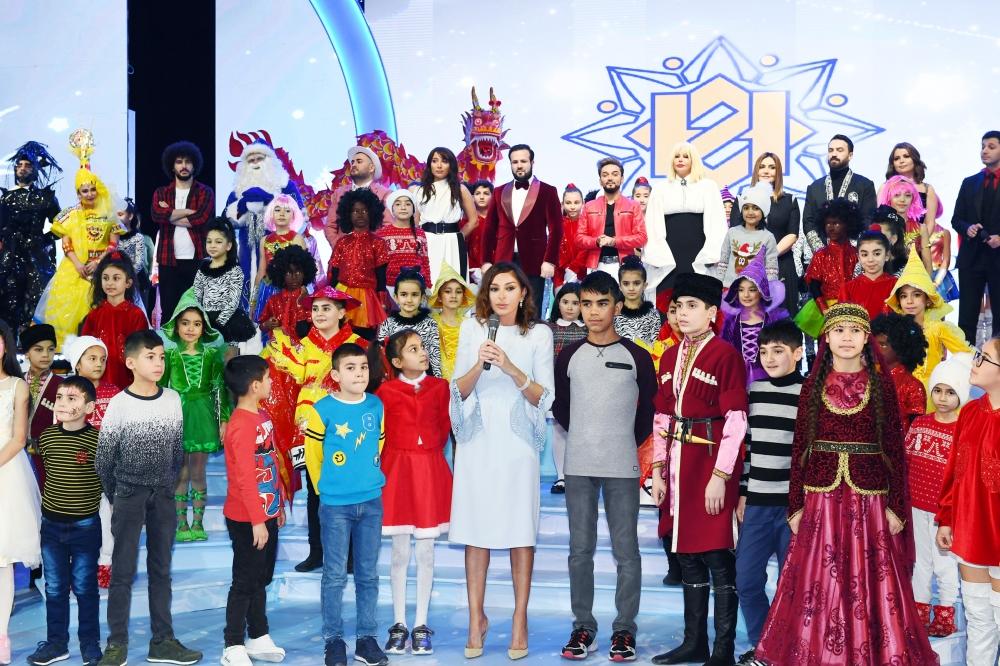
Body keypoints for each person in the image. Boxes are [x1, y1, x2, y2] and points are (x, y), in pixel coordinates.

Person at [754, 303, 938, 665]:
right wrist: (795, 504)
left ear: (867, 337)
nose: (847, 338)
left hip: (870, 502)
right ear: (827, 337)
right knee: (820, 577)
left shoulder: (881, 386)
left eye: (855, 331)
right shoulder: (812, 386)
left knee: (870, 577)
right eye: (839, 330)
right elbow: (799, 448)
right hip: (820, 499)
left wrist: (896, 507)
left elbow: (894, 450)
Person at [450, 262, 554, 660]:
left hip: (517, 441)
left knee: (518, 530)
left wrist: (510, 367)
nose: (502, 296)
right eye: (495, 289)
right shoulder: (472, 328)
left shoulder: (538, 333)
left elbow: (545, 397)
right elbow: (458, 392)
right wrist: (481, 364)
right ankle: (475, 619)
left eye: (510, 288)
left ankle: (519, 619)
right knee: (475, 530)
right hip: (477, 439)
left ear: (524, 292)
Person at [552, 270, 656, 663]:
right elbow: (562, 408)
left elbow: (648, 411)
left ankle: (624, 630)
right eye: (586, 303)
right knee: (580, 550)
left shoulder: (637, 356)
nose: (593, 311)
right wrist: (585, 436)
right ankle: (583, 627)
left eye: (601, 303)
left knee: (627, 551)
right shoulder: (569, 356)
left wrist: (623, 441)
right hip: (578, 465)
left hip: (622, 465)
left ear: (617, 306)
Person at [648, 273, 747, 666]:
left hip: (711, 462)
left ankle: (723, 650)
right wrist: (658, 470)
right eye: (678, 307)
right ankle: (695, 643)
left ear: (711, 313)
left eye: (692, 306)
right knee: (687, 556)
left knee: (717, 555)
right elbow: (661, 417)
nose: (682, 313)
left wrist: (720, 477)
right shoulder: (669, 356)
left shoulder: (726, 355)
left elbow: (737, 420)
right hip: (678, 464)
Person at [95, 330, 201, 666]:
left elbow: (177, 452)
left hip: (164, 496)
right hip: (128, 495)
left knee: (161, 569)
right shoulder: (119, 404)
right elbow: (104, 459)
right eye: (150, 357)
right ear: (130, 363)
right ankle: (116, 644)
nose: (158, 363)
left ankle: (163, 641)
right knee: (123, 571)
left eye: (161, 357)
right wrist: (119, 495)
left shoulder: (172, 399)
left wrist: (166, 486)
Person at [302, 343, 388, 666]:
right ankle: (333, 640)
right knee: (335, 575)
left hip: (371, 502)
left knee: (368, 575)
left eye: (363, 367)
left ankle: (366, 638)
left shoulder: (375, 405)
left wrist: (367, 478)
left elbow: (379, 443)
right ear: (336, 375)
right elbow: (314, 457)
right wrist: (327, 491)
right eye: (350, 368)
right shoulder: (322, 409)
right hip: (336, 505)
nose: (359, 374)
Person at [268, 286, 364, 573]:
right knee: (315, 490)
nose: (319, 314)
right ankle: (317, 552)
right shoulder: (301, 347)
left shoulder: (358, 345)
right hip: (309, 425)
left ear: (342, 312)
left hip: (346, 426)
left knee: (347, 489)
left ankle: (349, 555)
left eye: (327, 308)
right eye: (315, 309)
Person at [731, 320, 804, 666]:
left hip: (793, 508)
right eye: (763, 352)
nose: (770, 358)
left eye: (778, 351)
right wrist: (743, 493)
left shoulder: (809, 395)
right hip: (757, 503)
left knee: (793, 584)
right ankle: (763, 647)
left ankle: (788, 647)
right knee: (746, 579)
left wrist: (804, 503)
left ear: (798, 353)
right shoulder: (754, 392)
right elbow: (748, 449)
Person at [376, 331, 452, 656]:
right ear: (396, 361)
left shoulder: (440, 388)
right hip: (397, 474)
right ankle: (399, 623)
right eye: (413, 349)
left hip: (430, 471)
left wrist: (427, 449)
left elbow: (445, 427)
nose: (422, 353)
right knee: (398, 551)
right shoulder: (385, 392)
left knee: (426, 551)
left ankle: (421, 623)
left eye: (422, 347)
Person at [29, 376, 103, 666]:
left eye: (72, 398)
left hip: (85, 527)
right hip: (51, 527)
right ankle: (56, 643)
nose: (61, 403)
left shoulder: (98, 441)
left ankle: (90, 644)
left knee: (85, 588)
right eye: (59, 397)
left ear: (89, 407)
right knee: (55, 588)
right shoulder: (47, 437)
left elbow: (105, 481)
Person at [936, 337, 1000, 666]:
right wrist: (946, 518)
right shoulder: (971, 412)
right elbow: (954, 473)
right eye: (977, 354)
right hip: (971, 531)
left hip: (997, 535)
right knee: (977, 617)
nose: (974, 362)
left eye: (983, 358)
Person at [220, 355, 287, 666]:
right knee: (245, 581)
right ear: (255, 385)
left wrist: (278, 505)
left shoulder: (262, 416)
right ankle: (232, 642)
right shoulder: (240, 425)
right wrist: (258, 520)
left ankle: (258, 635)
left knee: (261, 578)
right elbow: (245, 477)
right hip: (247, 518)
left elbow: (271, 462)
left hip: (266, 513)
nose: (272, 382)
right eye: (268, 378)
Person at [905, 354, 970, 640]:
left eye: (950, 392)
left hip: (946, 512)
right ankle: (918, 611)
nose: (943, 398)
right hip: (916, 506)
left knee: (945, 564)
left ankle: (945, 614)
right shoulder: (920, 424)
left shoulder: (964, 431)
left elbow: (964, 476)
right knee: (921, 561)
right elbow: (907, 461)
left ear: (962, 394)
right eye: (938, 390)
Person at [158, 293, 230, 543]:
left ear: (203, 328)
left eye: (196, 324)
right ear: (176, 325)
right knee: (181, 474)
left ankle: (198, 522)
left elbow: (219, 389)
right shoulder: (170, 355)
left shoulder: (211, 355)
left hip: (203, 416)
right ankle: (181, 524)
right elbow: (161, 389)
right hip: (177, 415)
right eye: (185, 323)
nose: (190, 328)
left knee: (198, 472)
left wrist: (223, 420)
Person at [40, 133, 122, 347]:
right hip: (74, 270)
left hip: (103, 268)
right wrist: (78, 265)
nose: (90, 194)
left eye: (93, 189)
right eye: (85, 190)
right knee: (68, 313)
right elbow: (66, 243)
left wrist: (98, 262)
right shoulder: (69, 215)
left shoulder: (109, 213)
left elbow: (114, 243)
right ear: (78, 193)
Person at [62, 335, 121, 588]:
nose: (99, 364)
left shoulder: (114, 393)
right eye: (92, 358)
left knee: (107, 520)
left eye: (103, 359)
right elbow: (60, 431)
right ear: (77, 363)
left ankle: (105, 564)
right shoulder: (67, 393)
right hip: (78, 470)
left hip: (108, 471)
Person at [0, 319, 40, 665]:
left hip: (7, 472)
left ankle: (1, 635)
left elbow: (18, 438)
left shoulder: (17, 386)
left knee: (3, 560)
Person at [480, 144, 562, 313]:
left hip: (535, 261)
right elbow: (489, 229)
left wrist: (549, 261)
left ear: (532, 162)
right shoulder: (499, 191)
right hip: (504, 260)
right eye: (515, 162)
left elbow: (556, 230)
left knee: (532, 310)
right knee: (503, 308)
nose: (519, 165)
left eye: (523, 161)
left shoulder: (548, 191)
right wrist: (486, 260)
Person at [225, 139, 305, 311]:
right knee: (246, 284)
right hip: (246, 250)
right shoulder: (237, 191)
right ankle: (249, 318)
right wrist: (243, 206)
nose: (255, 163)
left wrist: (270, 202)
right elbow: (228, 221)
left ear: (269, 160)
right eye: (251, 160)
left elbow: (300, 217)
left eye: (259, 158)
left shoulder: (285, 186)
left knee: (279, 290)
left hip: (280, 248)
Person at [886, 247, 971, 408]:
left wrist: (950, 378)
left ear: (927, 299)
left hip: (930, 397)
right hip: (899, 395)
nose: (909, 301)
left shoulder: (938, 329)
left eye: (916, 295)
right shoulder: (894, 330)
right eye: (904, 296)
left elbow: (965, 355)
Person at [642, 142, 728, 295]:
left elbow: (717, 224)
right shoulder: (660, 188)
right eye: (676, 156)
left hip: (699, 252)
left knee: (699, 295)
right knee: (668, 297)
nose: (680, 160)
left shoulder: (708, 186)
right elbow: (653, 225)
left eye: (685, 156)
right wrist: (657, 255)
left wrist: (712, 254)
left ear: (693, 160)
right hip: (669, 254)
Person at [0, 141, 62, 333]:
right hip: (9, 256)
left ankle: (33, 342)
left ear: (35, 169)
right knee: (9, 298)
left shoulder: (45, 197)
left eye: (27, 165)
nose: (22, 168)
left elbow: (61, 225)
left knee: (37, 298)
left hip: (36, 256)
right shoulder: (6, 197)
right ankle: (9, 343)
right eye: (19, 165)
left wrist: (45, 240)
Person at [151, 141, 214, 327]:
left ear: (195, 165)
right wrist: (188, 212)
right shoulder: (162, 192)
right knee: (169, 311)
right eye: (179, 162)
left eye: (188, 162)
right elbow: (156, 215)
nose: (184, 166)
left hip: (197, 260)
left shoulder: (205, 192)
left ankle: (195, 345)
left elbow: (201, 218)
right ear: (172, 166)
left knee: (196, 311)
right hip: (168, 261)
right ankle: (169, 345)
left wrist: (170, 214)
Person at [731, 153, 801, 315]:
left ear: (778, 172)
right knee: (751, 317)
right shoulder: (742, 199)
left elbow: (792, 234)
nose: (766, 171)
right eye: (762, 167)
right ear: (756, 171)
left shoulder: (789, 200)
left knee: (782, 319)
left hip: (782, 264)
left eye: (772, 167)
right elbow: (735, 232)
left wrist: (769, 254)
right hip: (748, 265)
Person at [951, 130, 1000, 345]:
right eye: (983, 146)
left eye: (991, 146)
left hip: (998, 258)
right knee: (967, 318)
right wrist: (967, 228)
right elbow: (956, 219)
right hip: (972, 258)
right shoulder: (969, 182)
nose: (985, 151)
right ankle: (965, 360)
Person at [720, 247, 790, 387]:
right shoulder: (732, 322)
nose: (746, 295)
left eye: (752, 290)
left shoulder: (773, 321)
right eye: (741, 290)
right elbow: (725, 353)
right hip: (737, 379)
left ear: (762, 291)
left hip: (770, 379)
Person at [794, 198, 863, 339]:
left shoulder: (856, 253)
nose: (831, 227)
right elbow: (814, 285)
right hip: (825, 308)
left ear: (848, 224)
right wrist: (824, 310)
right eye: (827, 224)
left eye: (836, 223)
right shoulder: (821, 255)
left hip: (853, 308)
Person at [80, 252, 149, 389]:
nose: (110, 283)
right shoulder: (94, 315)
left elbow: (142, 351)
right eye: (105, 278)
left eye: (116, 278)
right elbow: (84, 350)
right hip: (98, 382)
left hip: (128, 381)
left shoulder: (136, 315)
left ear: (128, 283)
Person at [413, 147, 479, 284]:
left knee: (453, 284)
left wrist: (458, 237)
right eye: (434, 161)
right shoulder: (419, 190)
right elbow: (415, 221)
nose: (439, 165)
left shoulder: (460, 189)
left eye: (444, 161)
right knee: (429, 284)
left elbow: (473, 221)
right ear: (429, 165)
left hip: (452, 241)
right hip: (427, 241)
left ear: (451, 165)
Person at [801, 134, 877, 253]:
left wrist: (851, 250)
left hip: (855, 255)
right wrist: (821, 251)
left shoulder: (865, 185)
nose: (834, 154)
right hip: (821, 255)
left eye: (839, 150)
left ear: (850, 155)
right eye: (831, 150)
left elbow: (868, 219)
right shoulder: (814, 187)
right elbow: (808, 221)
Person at [576, 158, 647, 282]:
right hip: (596, 265)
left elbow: (641, 238)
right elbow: (579, 238)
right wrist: (596, 241)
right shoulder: (589, 206)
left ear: (622, 179)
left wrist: (614, 241)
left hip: (624, 266)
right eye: (605, 175)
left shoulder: (633, 206)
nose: (610, 178)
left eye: (615, 174)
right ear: (600, 181)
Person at [328, 189, 390, 333]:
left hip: (366, 297)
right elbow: (334, 272)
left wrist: (381, 300)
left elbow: (381, 276)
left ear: (372, 213)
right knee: (340, 332)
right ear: (347, 215)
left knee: (364, 334)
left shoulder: (378, 243)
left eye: (364, 211)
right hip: (342, 293)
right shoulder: (342, 242)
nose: (360, 214)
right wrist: (330, 296)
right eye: (355, 211)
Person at [546, 281, 587, 494]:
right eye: (565, 302)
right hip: (557, 386)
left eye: (575, 303)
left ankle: (581, 475)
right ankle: (561, 476)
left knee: (583, 431)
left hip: (583, 387)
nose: (570, 307)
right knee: (559, 429)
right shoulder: (548, 328)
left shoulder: (588, 329)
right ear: (558, 304)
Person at [192, 218, 257, 349]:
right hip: (206, 320)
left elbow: (233, 302)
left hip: (228, 321)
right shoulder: (203, 267)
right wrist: (201, 320)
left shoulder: (235, 270)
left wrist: (218, 324)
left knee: (228, 357)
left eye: (218, 242)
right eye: (209, 241)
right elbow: (196, 295)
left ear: (228, 245)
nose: (212, 245)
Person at [251, 194, 308, 325]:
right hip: (267, 289)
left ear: (293, 215)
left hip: (290, 291)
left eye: (287, 210)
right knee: (268, 328)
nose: (282, 214)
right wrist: (253, 301)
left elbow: (304, 270)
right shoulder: (264, 240)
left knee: (289, 327)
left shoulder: (297, 239)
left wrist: (302, 293)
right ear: (271, 214)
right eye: (277, 210)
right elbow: (261, 272)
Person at [323, 145, 392, 253]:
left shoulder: (385, 193)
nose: (354, 165)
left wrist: (373, 252)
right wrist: (340, 249)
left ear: (371, 168)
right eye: (352, 162)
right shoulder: (339, 193)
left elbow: (388, 227)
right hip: (343, 257)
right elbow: (330, 226)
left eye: (359, 161)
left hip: (373, 257)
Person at [376, 269, 442, 377]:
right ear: (396, 297)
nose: (409, 300)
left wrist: (437, 382)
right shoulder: (388, 323)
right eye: (404, 294)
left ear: (422, 298)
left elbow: (435, 358)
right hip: (396, 380)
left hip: (424, 379)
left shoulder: (430, 324)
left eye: (414, 295)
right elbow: (382, 357)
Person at [21, 324, 61, 485]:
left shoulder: (63, 386)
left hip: (49, 459)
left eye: (50, 349)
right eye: (38, 349)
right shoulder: (16, 381)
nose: (45, 355)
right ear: (26, 353)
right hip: (17, 456)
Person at [716, 182, 778, 286]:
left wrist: (770, 289)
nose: (750, 212)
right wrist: (718, 286)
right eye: (746, 208)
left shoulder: (768, 237)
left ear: (763, 211)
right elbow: (723, 263)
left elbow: (771, 270)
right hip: (729, 287)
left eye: (756, 208)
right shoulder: (732, 232)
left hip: (755, 290)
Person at [871, 312, 928, 425]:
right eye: (873, 344)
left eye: (882, 345)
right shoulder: (868, 377)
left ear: (901, 348)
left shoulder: (913, 386)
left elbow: (916, 429)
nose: (875, 349)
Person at [256, 245, 316, 345]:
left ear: (305, 273)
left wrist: (301, 303)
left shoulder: (311, 300)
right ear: (281, 274)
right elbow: (262, 326)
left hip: (303, 349)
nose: (294, 277)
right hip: (277, 348)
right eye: (288, 273)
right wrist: (267, 324)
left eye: (298, 272)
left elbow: (306, 330)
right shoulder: (273, 300)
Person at [377, 189, 431, 289]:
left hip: (416, 285)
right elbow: (379, 264)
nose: (403, 207)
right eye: (398, 204)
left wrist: (428, 285)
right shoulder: (383, 234)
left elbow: (425, 261)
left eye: (407, 204)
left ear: (413, 209)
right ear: (392, 209)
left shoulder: (420, 233)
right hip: (391, 285)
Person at [429, 262, 474, 381]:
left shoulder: (469, 324)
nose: (453, 296)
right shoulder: (431, 323)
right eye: (448, 291)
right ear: (439, 296)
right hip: (438, 382)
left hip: (466, 380)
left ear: (463, 296)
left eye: (458, 292)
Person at [880, 175, 932, 271]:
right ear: (889, 198)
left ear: (913, 198)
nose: (902, 200)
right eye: (897, 195)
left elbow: (928, 265)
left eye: (907, 195)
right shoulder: (880, 227)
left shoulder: (921, 228)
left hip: (914, 277)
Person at [844, 229, 896, 320]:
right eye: (865, 255)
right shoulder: (847, 289)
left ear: (887, 255)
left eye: (877, 254)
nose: (870, 259)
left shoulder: (896, 286)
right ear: (859, 257)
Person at [614, 255, 664, 346]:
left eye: (636, 283)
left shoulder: (653, 314)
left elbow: (655, 347)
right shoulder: (613, 314)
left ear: (645, 285)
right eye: (626, 284)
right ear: (620, 286)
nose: (631, 288)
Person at [116, 199, 154, 315]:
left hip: (137, 282)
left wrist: (125, 277)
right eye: (115, 215)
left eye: (120, 214)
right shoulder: (113, 237)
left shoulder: (138, 237)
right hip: (117, 282)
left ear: (130, 216)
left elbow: (138, 263)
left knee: (139, 315)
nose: (117, 218)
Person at [555, 184, 587, 288]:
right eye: (568, 203)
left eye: (576, 202)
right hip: (561, 273)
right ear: (562, 204)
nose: (572, 207)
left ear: (583, 203)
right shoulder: (557, 225)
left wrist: (574, 268)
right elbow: (555, 248)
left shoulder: (587, 224)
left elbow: (586, 249)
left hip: (583, 273)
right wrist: (566, 267)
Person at [462, 180, 492, 276]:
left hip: (495, 269)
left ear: (493, 197)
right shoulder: (465, 223)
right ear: (472, 197)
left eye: (486, 193)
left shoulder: (499, 221)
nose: (481, 197)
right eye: (478, 193)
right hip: (472, 271)